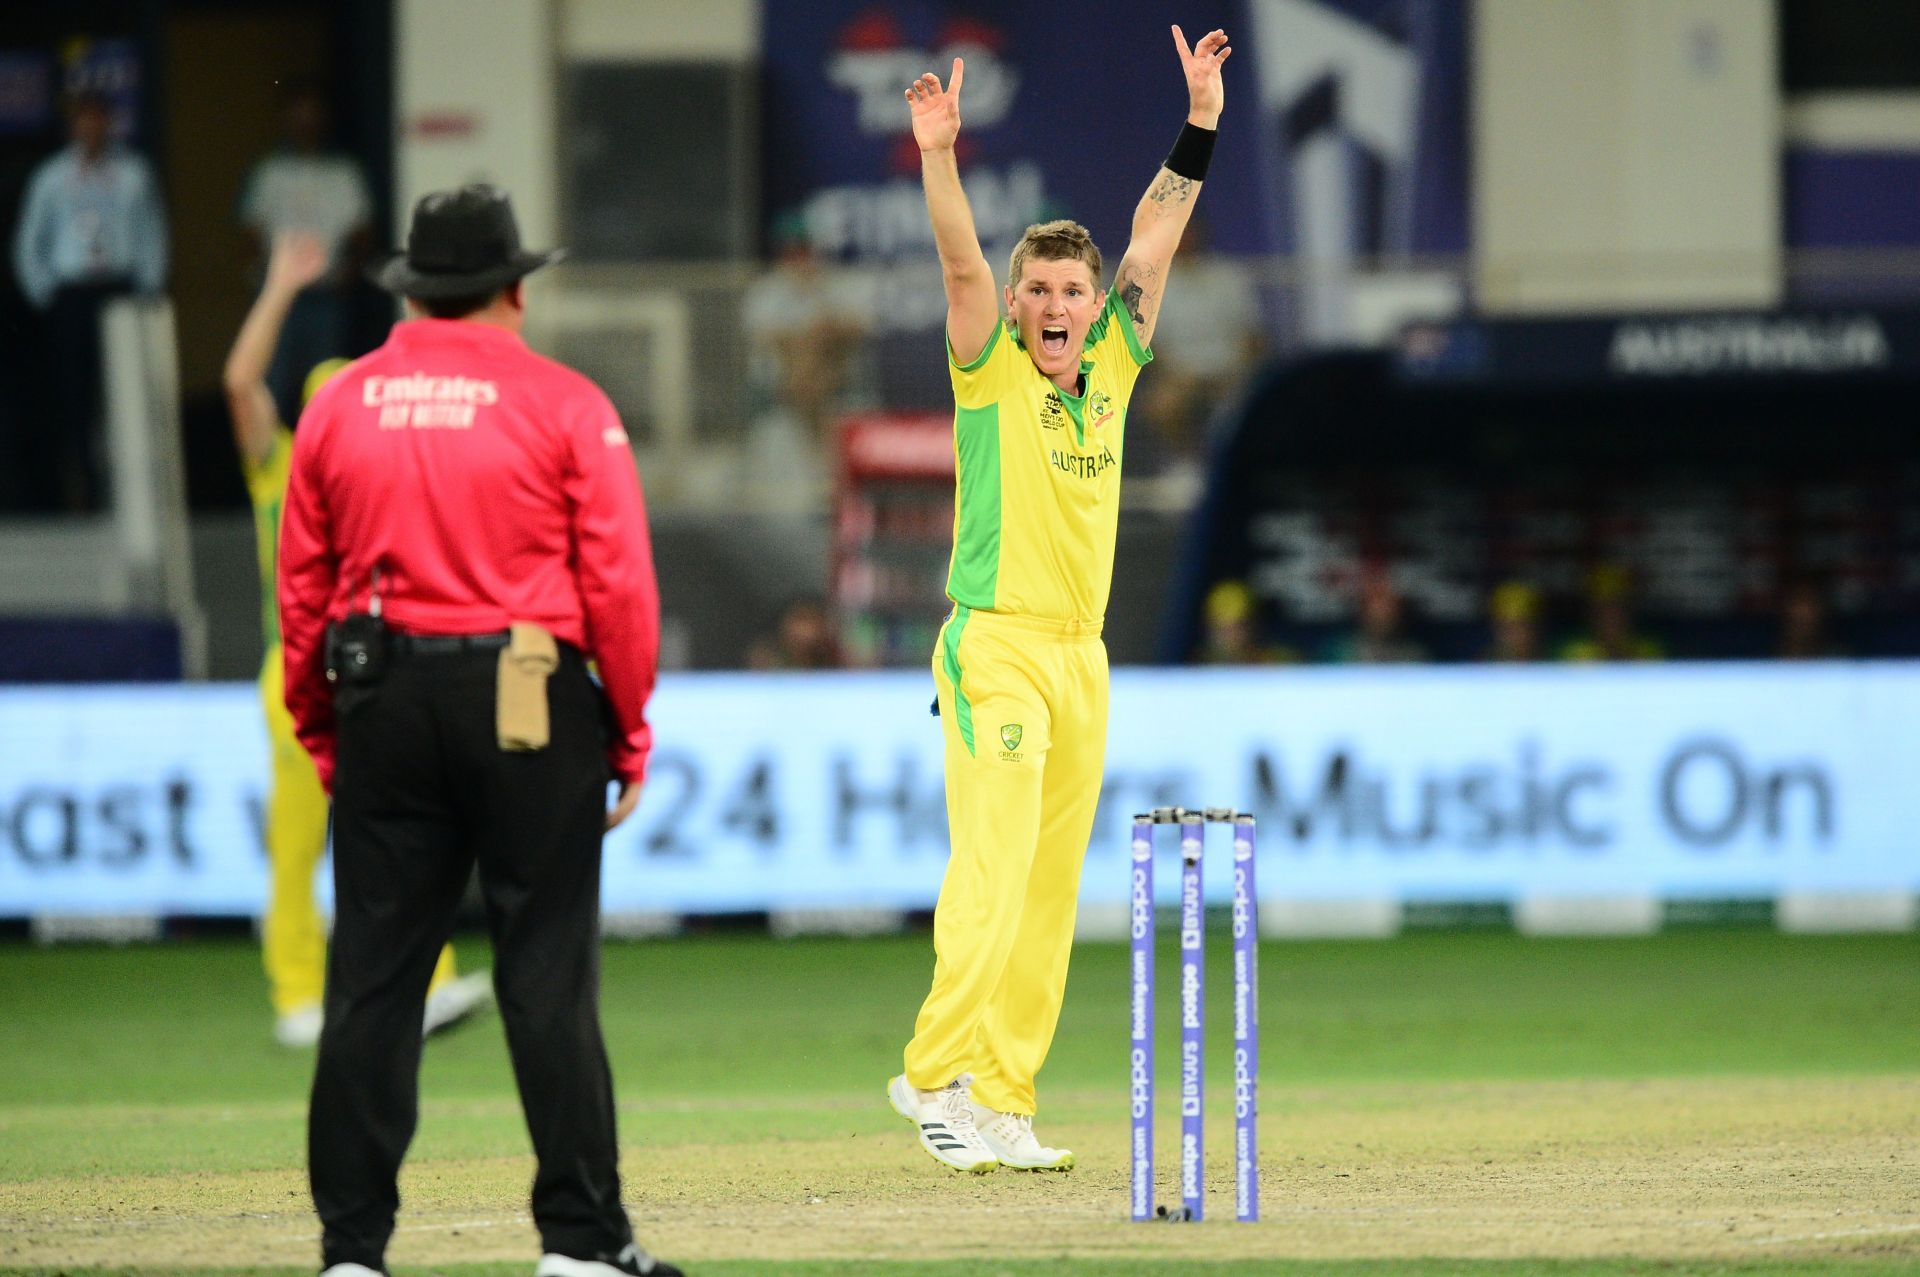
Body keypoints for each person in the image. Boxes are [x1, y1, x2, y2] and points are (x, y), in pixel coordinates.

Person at [278, 185, 681, 1277]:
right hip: (525, 688)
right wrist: (628, 727)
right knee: (545, 972)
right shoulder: (565, 401)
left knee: (372, 979)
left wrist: (326, 727)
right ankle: (581, 1245)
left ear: (412, 288)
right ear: (514, 285)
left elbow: (302, 593)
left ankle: (352, 1253)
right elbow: (620, 583)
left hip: (384, 699)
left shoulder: (339, 402)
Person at [886, 25, 1233, 1175]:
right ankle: (931, 1073)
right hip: (994, 646)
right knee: (991, 865)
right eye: (1036, 285)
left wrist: (1201, 119)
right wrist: (939, 154)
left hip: (1081, 658)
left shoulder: (1117, 365)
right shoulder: (986, 364)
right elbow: (957, 267)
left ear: (1093, 307)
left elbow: (1158, 230)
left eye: (1068, 290)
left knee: (1044, 890)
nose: (1049, 303)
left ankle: (1001, 1094)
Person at [224, 229, 488, 1049]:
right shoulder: (282, 462)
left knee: (400, 835)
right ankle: (301, 996)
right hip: (299, 670)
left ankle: (426, 984)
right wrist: (279, 288)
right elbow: (238, 382)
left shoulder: (382, 475)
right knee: (305, 843)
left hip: (372, 670)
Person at [11, 90, 168, 510]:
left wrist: (147, 291)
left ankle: (129, 486)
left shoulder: (133, 173)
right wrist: (46, 295)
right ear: (72, 126)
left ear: (109, 123)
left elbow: (152, 234)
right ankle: (84, 486)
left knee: (123, 391)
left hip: (119, 291)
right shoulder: (51, 177)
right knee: (73, 395)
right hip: (72, 295)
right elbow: (29, 242)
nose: (91, 127)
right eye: (83, 119)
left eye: (98, 118)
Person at [236, 82, 374, 424]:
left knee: (325, 389)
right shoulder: (270, 172)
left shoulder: (343, 173)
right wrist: (265, 274)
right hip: (278, 296)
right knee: (271, 387)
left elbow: (362, 230)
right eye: (298, 115)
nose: (305, 123)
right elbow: (250, 229)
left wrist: (349, 273)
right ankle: (278, 470)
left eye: (312, 115)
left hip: (327, 294)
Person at [1320, 565, 1428, 664]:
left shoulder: (1414, 654)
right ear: (1362, 609)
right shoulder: (1337, 652)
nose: (1382, 611)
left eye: (1389, 605)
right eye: (1376, 602)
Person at [1559, 564, 1662, 663]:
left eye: (1618, 608)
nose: (1611, 617)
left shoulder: (1648, 651)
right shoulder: (1574, 653)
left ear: (1629, 612)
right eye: (1602, 610)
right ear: (1591, 614)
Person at [1482, 580, 1543, 664]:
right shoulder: (1482, 667)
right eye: (1506, 627)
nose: (1514, 635)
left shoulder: (1558, 663)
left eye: (1521, 625)